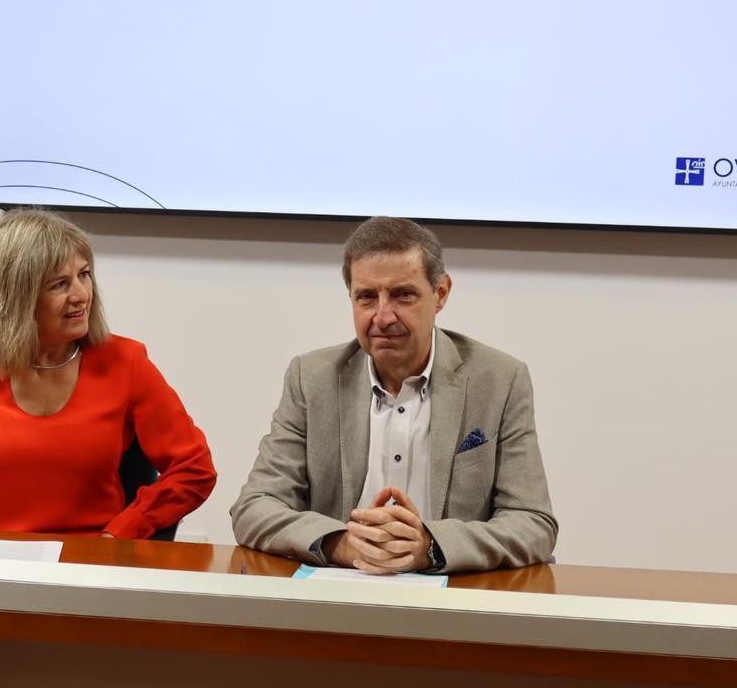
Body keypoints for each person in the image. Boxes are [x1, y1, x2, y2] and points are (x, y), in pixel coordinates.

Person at [230, 217, 556, 573]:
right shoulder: (312, 378)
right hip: (339, 594)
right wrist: (342, 542)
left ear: (441, 293)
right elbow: (254, 507)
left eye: (403, 295)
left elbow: (533, 523)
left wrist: (430, 545)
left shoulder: (499, 380)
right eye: (367, 297)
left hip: (455, 600)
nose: (383, 317)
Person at [0, 209, 216, 538]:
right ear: (16, 297)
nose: (81, 295)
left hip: (85, 565)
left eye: (84, 275)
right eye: (59, 284)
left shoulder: (126, 363)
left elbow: (193, 469)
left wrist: (126, 530)